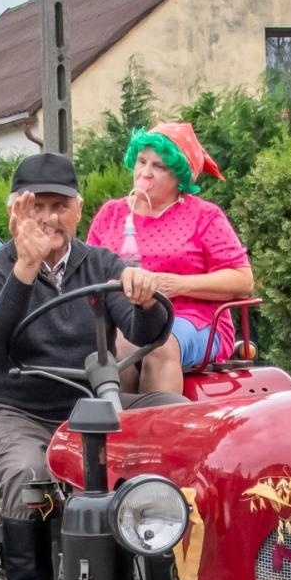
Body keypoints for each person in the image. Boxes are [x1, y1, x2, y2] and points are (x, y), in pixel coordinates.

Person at [0, 151, 174, 580]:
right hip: (11, 409)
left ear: (78, 211)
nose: (49, 218)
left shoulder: (100, 264)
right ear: (16, 212)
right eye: (38, 206)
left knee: (174, 421)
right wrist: (25, 269)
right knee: (29, 475)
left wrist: (147, 301)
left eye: (60, 205)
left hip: (88, 409)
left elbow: (146, 331)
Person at [85, 121, 254, 394]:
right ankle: (117, 430)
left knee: (157, 345)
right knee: (115, 348)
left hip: (194, 320)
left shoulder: (204, 215)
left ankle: (160, 432)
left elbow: (243, 280)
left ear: (180, 177)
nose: (145, 173)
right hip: (123, 318)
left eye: (159, 167)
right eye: (141, 161)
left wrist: (177, 284)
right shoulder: (111, 214)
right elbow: (86, 273)